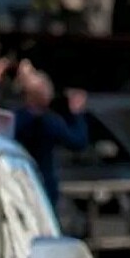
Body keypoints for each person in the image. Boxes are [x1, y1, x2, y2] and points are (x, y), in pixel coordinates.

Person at [14, 63, 88, 211]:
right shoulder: (50, 122)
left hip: (18, 183)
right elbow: (78, 142)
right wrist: (77, 113)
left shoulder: (16, 118)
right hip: (43, 186)